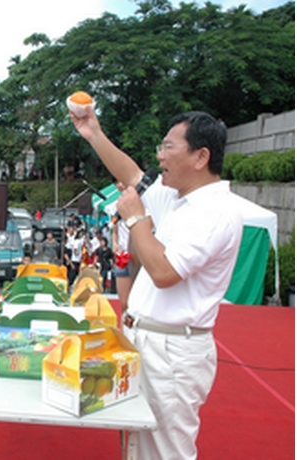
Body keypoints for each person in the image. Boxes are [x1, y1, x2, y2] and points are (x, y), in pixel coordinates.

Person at [71, 108, 243, 459]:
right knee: (136, 444)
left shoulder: (215, 212)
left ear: (200, 156)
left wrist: (135, 218)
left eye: (168, 147)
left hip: (172, 351)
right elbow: (133, 174)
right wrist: (94, 134)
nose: (159, 156)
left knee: (164, 451)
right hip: (145, 338)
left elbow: (164, 273)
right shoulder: (177, 198)